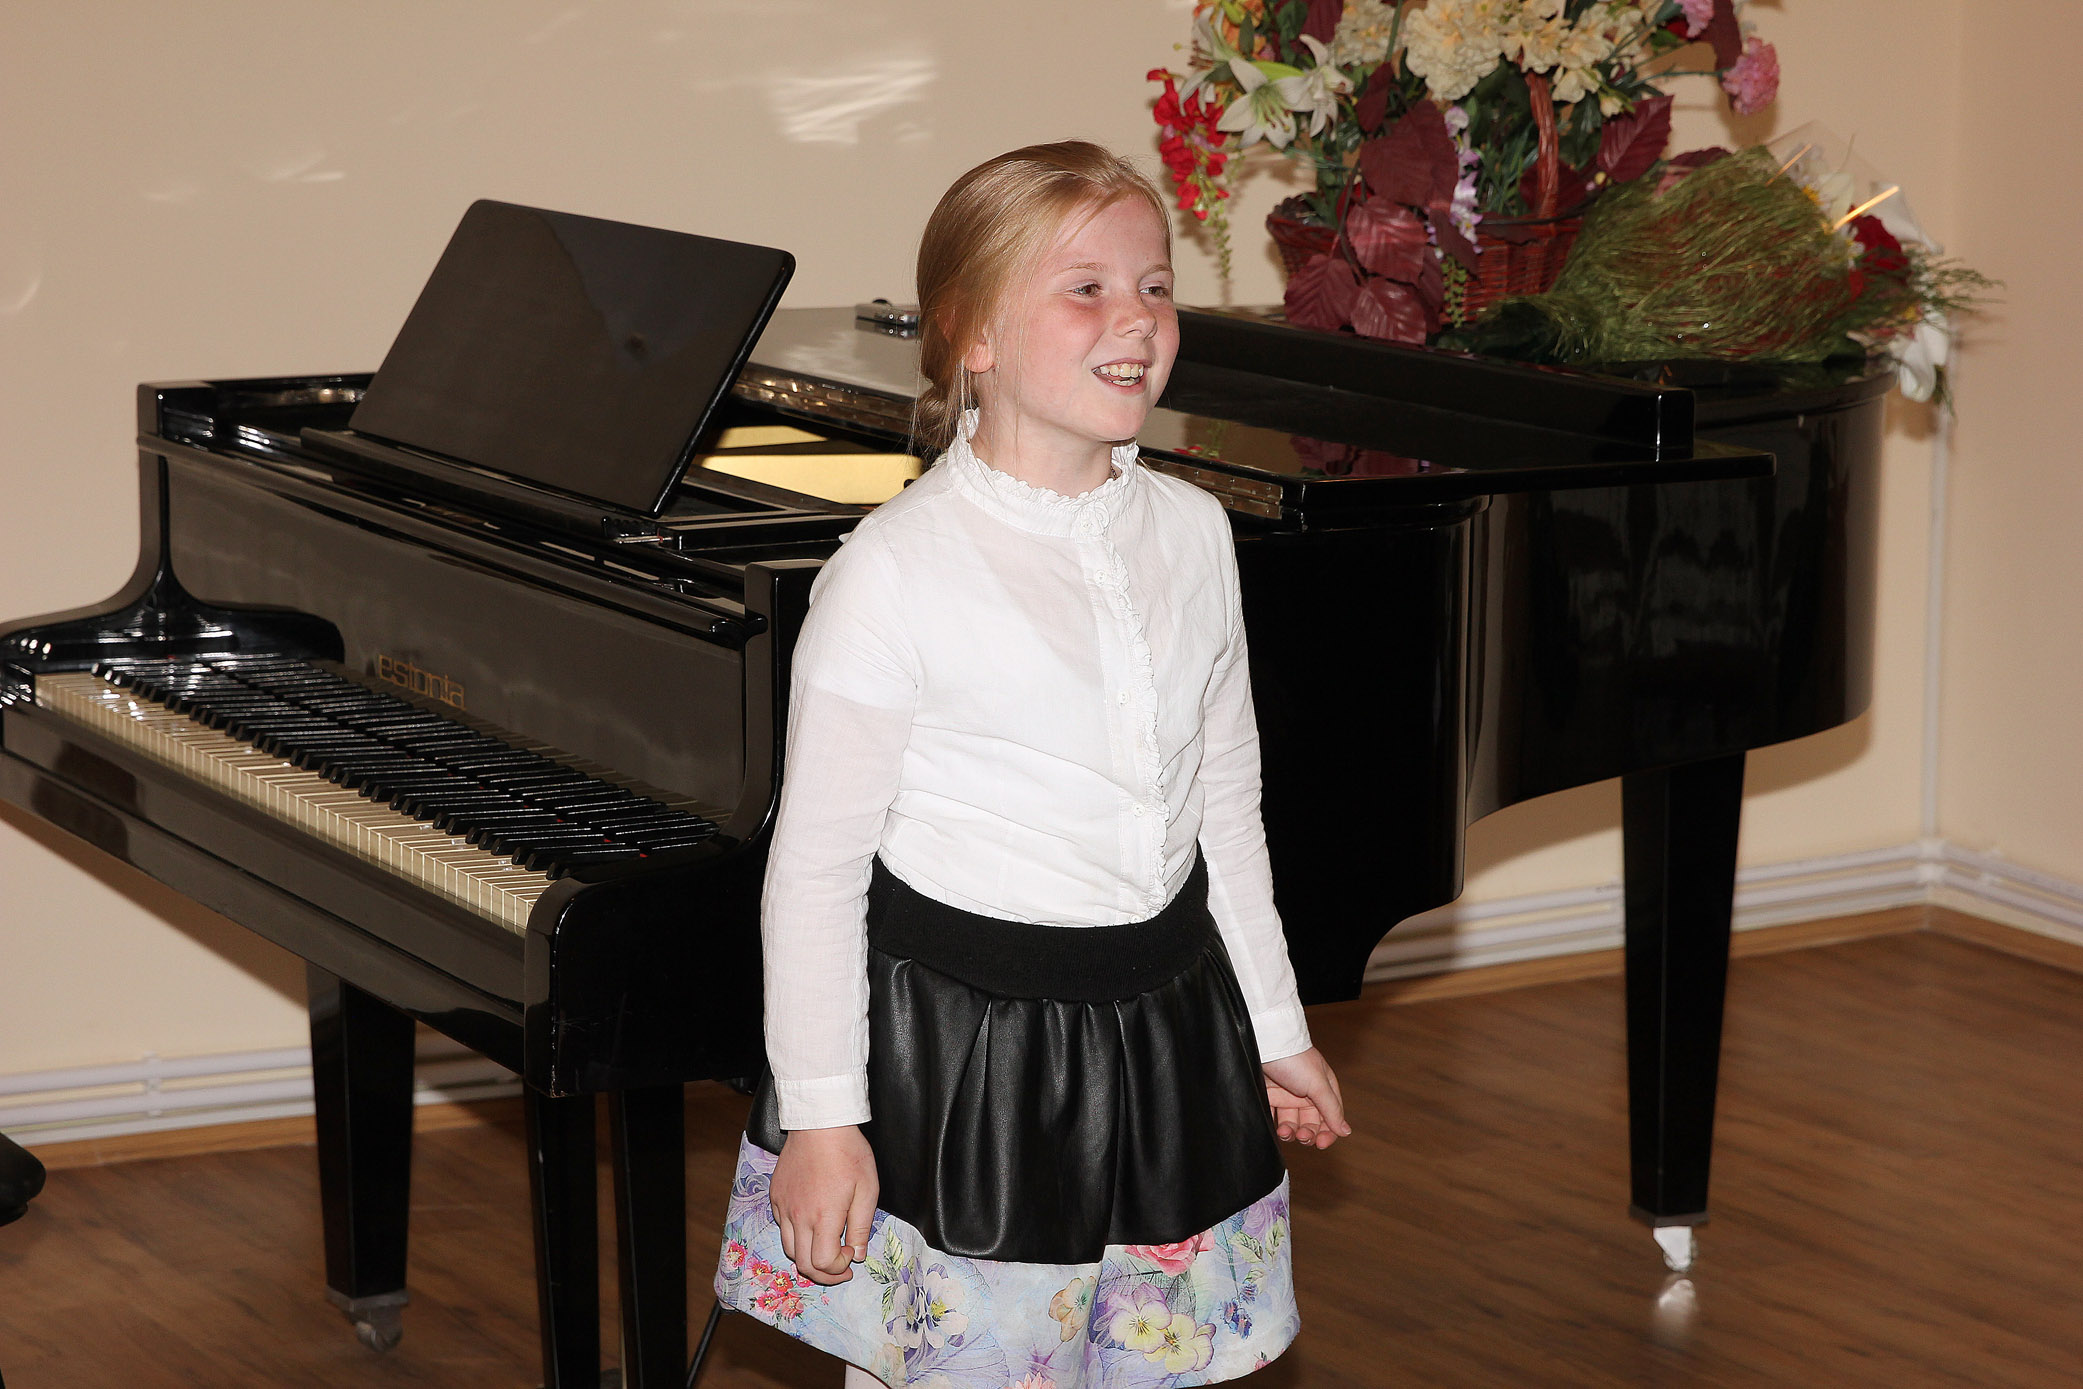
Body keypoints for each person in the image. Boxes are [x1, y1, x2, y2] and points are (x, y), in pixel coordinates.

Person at [713, 140, 1349, 1389]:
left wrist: (1274, 1026)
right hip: (973, 1066)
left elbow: (1225, 807)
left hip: (1166, 1035)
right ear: (973, 335)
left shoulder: (1195, 533)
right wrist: (826, 1116)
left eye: (1155, 286)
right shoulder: (893, 574)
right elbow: (817, 872)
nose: (1138, 319)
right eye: (1086, 289)